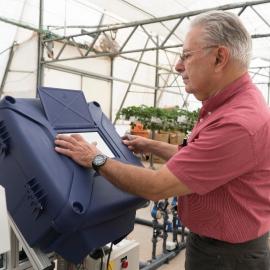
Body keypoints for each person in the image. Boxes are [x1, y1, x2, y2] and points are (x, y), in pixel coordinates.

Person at [54, 10, 270, 270]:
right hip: (217, 247)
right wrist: (149, 144)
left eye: (186, 56)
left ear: (219, 57)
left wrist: (96, 158)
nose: (179, 66)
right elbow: (199, 159)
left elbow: (156, 187)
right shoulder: (231, 105)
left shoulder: (237, 123)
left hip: (226, 258)